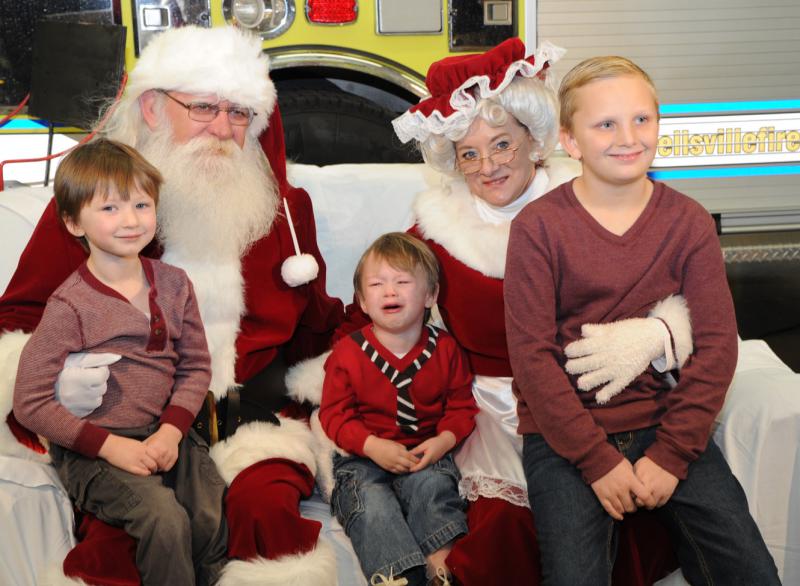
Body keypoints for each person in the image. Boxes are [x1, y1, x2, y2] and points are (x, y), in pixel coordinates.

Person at [0, 26, 344, 585]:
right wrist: (63, 385)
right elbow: (19, 321)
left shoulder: (283, 209)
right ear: (156, 108)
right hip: (129, 429)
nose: (224, 129)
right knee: (127, 541)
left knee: (268, 525)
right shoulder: (100, 208)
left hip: (254, 423)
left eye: (239, 113)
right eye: (205, 107)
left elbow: (317, 327)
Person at [381, 39, 694, 585]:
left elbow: (684, 292)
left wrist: (657, 334)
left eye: (502, 144)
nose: (489, 166)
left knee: (627, 511)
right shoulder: (432, 233)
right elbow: (384, 300)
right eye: (469, 155)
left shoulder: (592, 203)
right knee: (509, 523)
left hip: (596, 390)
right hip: (496, 409)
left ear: (535, 140)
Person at [504, 55, 781, 585]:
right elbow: (532, 359)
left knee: (751, 572)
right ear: (571, 141)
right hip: (564, 436)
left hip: (665, 419)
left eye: (641, 119)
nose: (628, 137)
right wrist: (596, 460)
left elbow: (719, 345)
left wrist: (674, 454)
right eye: (605, 123)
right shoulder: (538, 228)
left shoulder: (689, 222)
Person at [12, 138, 226, 586]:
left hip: (165, 431)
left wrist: (171, 431)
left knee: (208, 513)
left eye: (142, 204)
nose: (131, 220)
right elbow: (30, 403)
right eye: (109, 209)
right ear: (73, 223)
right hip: (94, 447)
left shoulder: (174, 283)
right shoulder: (70, 304)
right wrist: (111, 447)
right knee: (164, 520)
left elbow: (194, 368)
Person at [321, 232, 478, 586]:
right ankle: (399, 575)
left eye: (402, 281)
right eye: (377, 284)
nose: (389, 291)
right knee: (368, 503)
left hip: (425, 449)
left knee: (434, 488)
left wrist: (443, 441)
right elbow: (334, 415)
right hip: (362, 455)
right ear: (362, 300)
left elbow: (461, 405)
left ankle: (442, 565)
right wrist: (371, 446)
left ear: (430, 295)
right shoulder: (348, 353)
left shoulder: (446, 348)